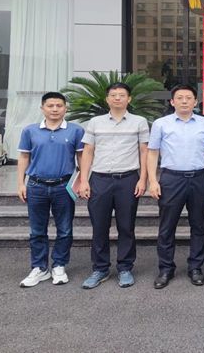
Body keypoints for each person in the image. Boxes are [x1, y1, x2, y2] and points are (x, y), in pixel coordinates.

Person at [78, 82, 149, 289]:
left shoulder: (139, 122)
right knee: (99, 226)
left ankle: (125, 268)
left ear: (129, 99)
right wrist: (84, 180)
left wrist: (143, 179)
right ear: (107, 99)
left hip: (128, 179)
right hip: (100, 179)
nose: (117, 98)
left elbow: (145, 151)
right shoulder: (95, 122)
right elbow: (88, 151)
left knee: (126, 226)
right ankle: (100, 268)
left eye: (122, 95)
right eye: (113, 95)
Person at [147, 84, 204, 289]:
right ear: (172, 101)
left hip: (199, 178)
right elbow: (152, 152)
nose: (184, 101)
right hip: (171, 179)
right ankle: (166, 268)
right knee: (167, 226)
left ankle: (195, 267)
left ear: (196, 101)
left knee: (198, 225)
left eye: (189, 98)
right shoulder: (161, 124)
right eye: (180, 98)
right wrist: (153, 181)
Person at [16, 92, 85, 288]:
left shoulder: (76, 131)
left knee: (65, 229)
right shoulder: (30, 131)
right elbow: (24, 158)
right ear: (42, 108)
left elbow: (82, 158)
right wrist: (20, 183)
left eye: (59, 105)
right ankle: (39, 268)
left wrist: (83, 181)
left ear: (65, 108)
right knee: (37, 230)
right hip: (36, 186)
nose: (55, 109)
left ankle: (59, 265)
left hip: (64, 187)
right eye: (50, 105)